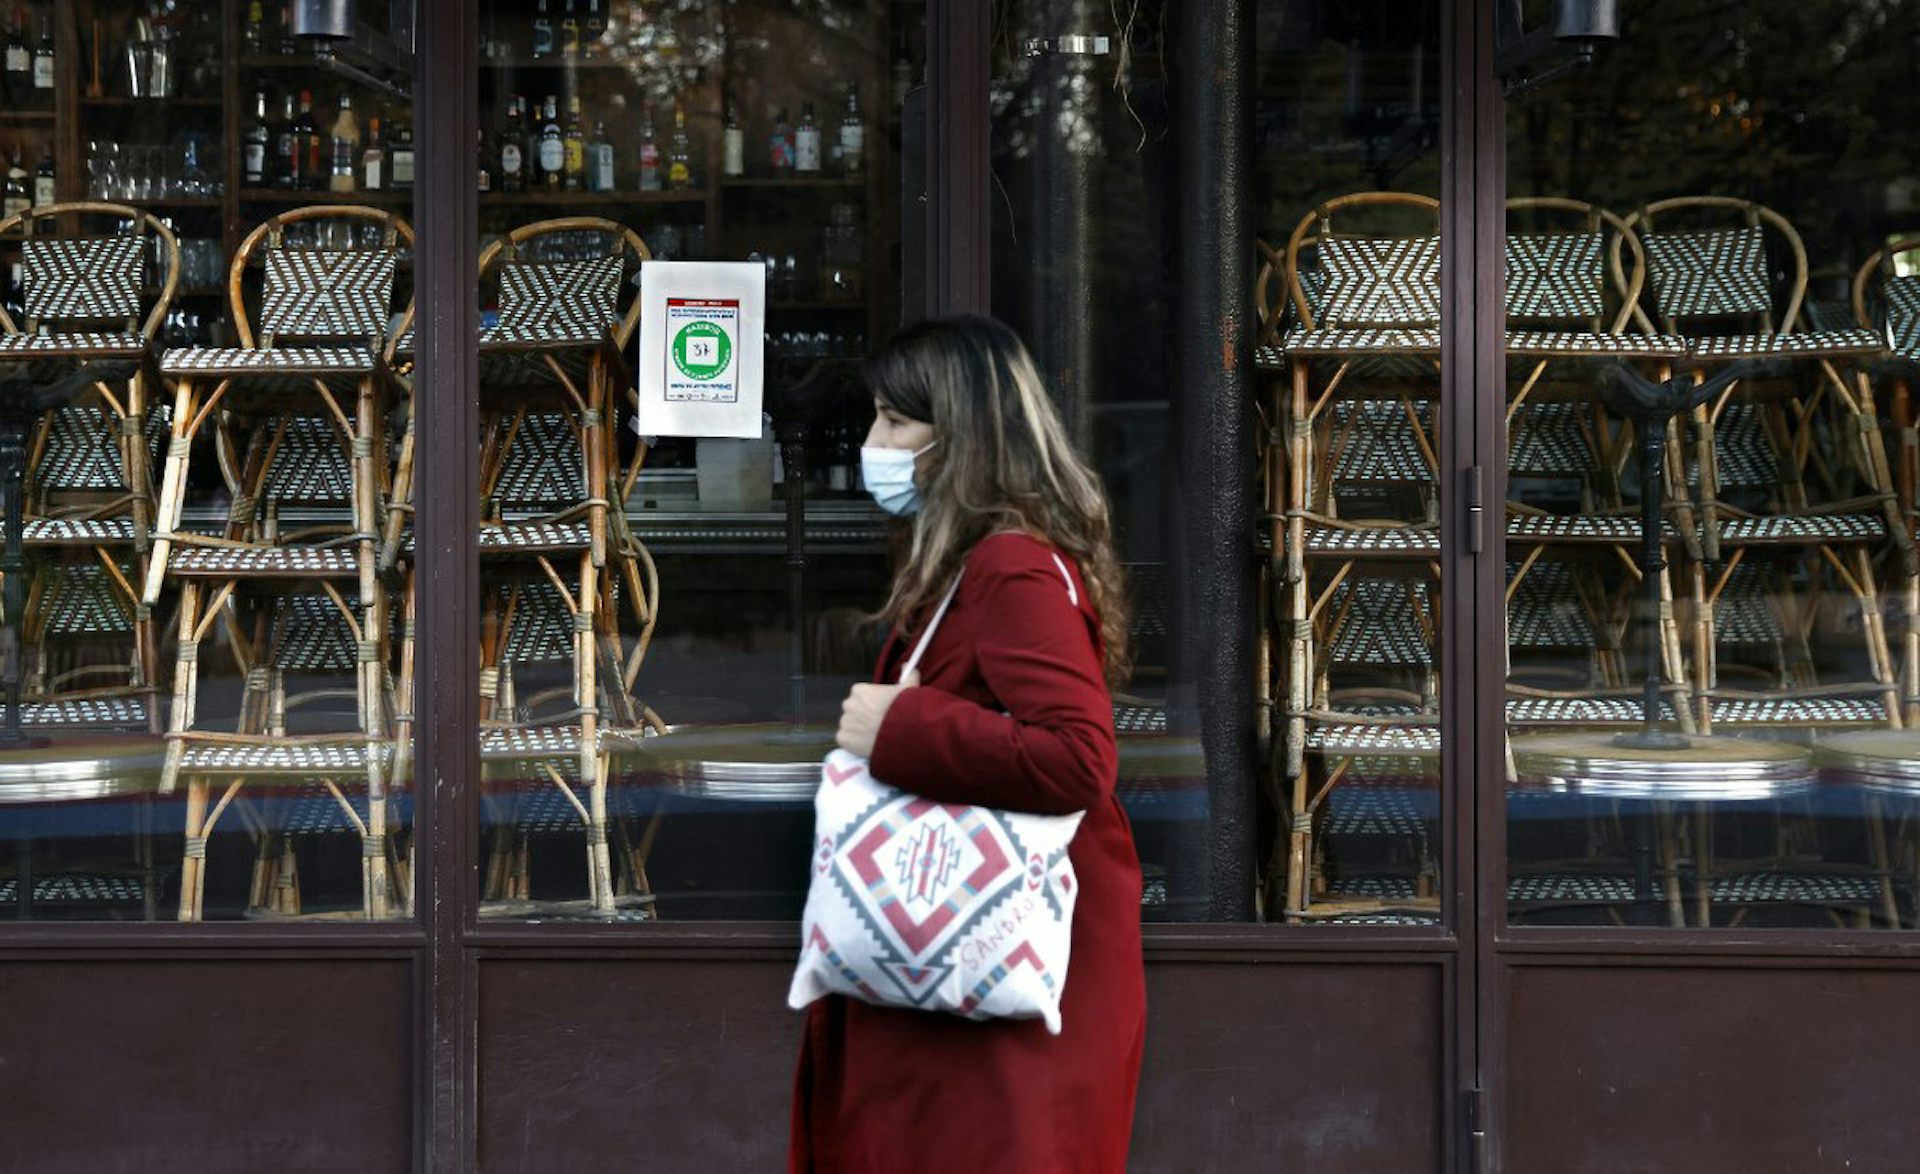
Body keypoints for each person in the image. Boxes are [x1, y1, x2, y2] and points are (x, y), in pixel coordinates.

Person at [790, 316, 1146, 1173]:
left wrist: (898, 729)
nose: (874, 444)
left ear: (963, 437)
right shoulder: (982, 563)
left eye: (895, 421)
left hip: (993, 1002)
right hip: (968, 983)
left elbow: (1078, 758)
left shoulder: (1008, 566)